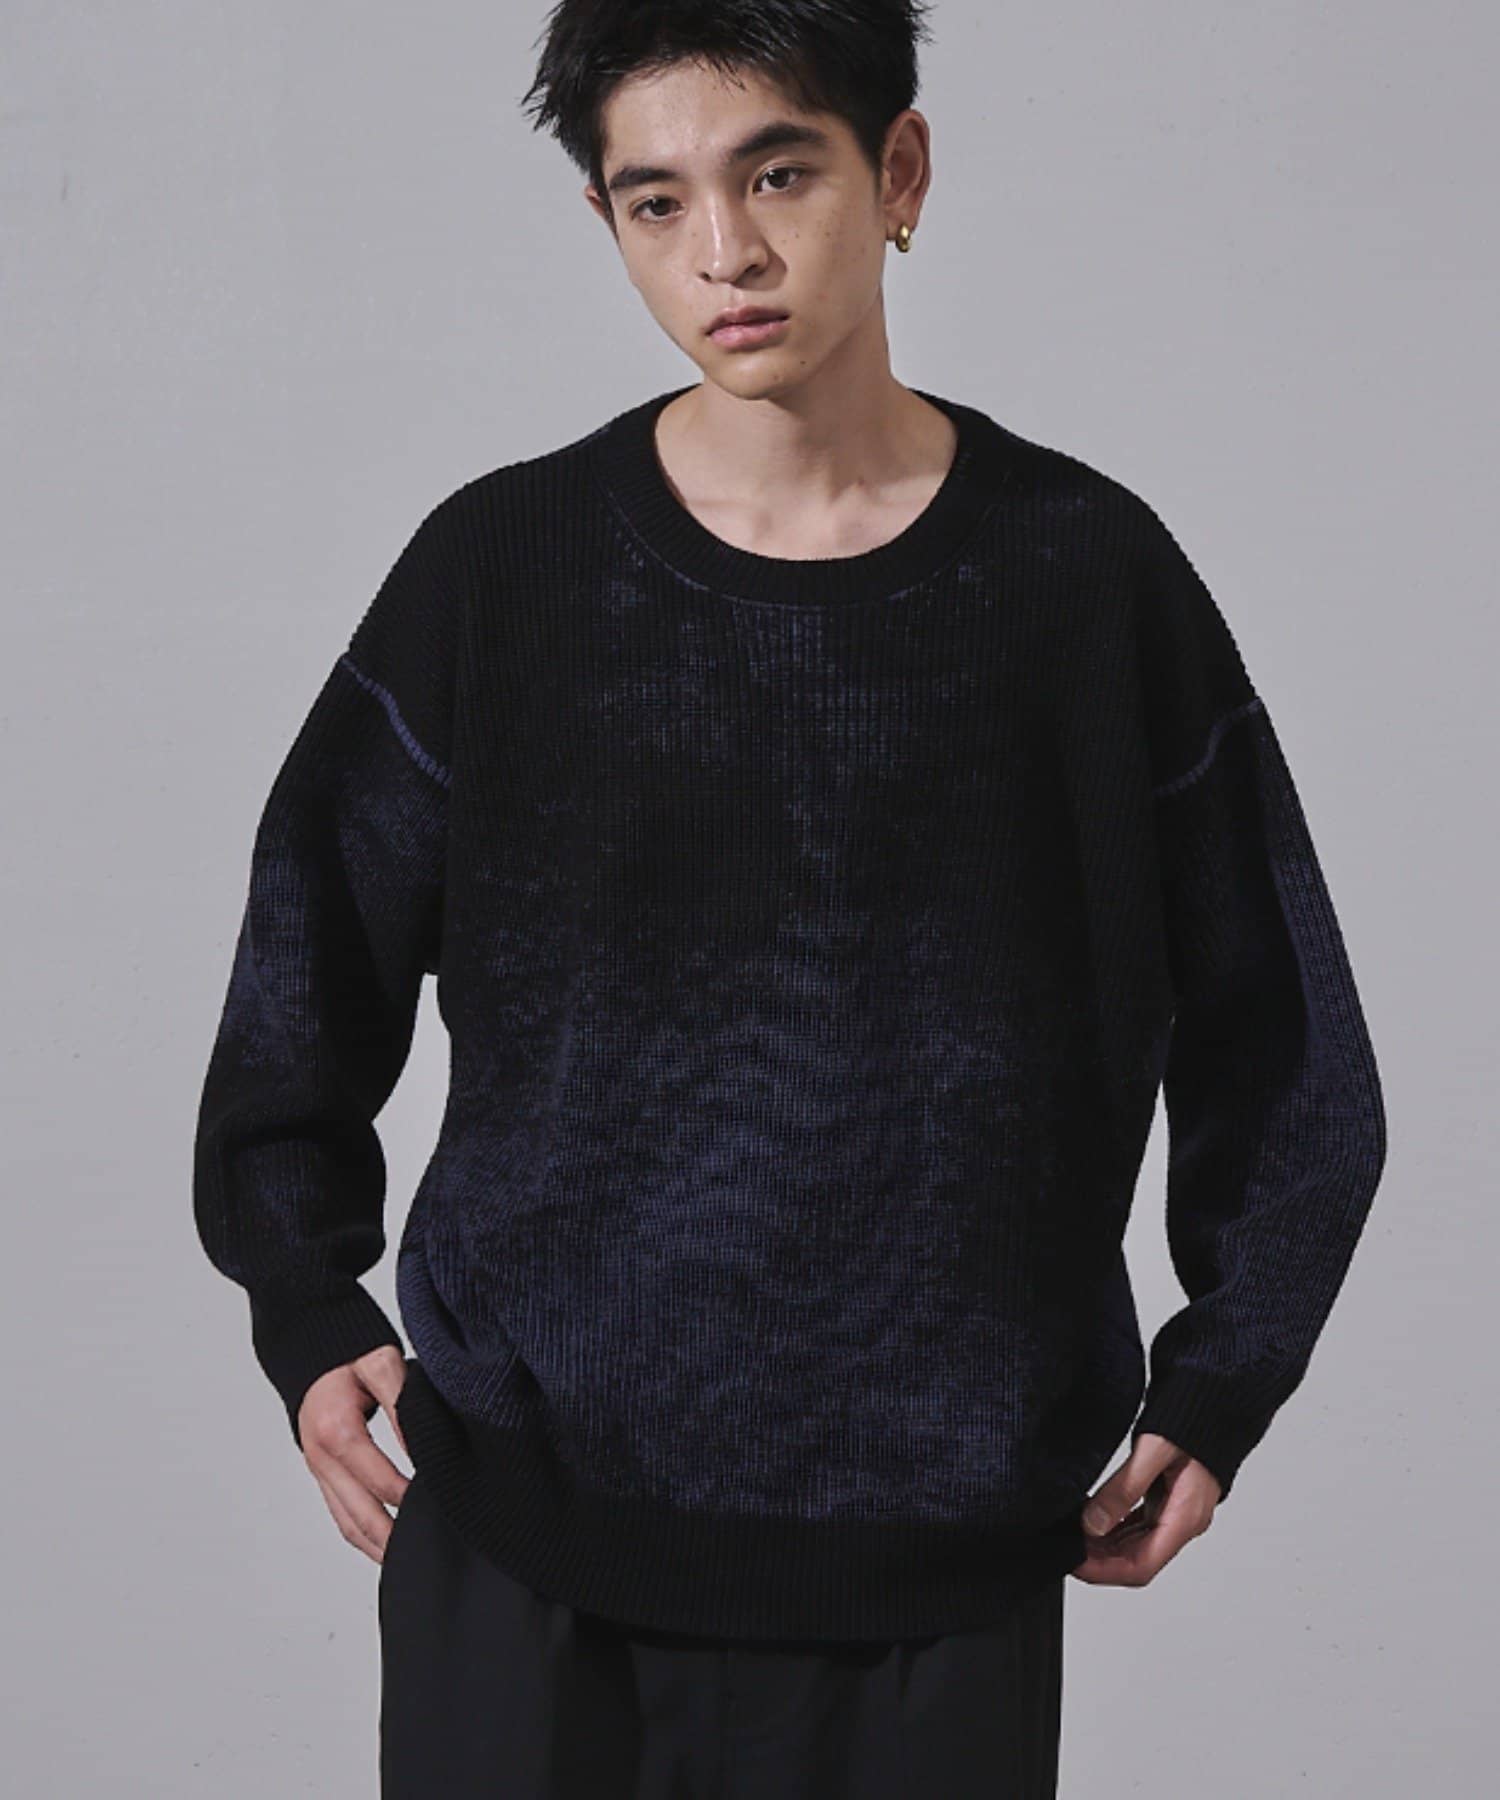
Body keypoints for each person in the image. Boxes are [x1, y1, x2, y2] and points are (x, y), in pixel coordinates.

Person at [191, 2, 1388, 1794]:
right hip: (526, 1556)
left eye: (777, 176)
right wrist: (305, 1305)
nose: (724, 253)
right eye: (655, 201)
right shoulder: (500, 572)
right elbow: (306, 962)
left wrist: (1225, 1380)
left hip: (936, 1579)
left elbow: (1281, 1038)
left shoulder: (1085, 581)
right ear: (606, 222)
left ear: (897, 172)